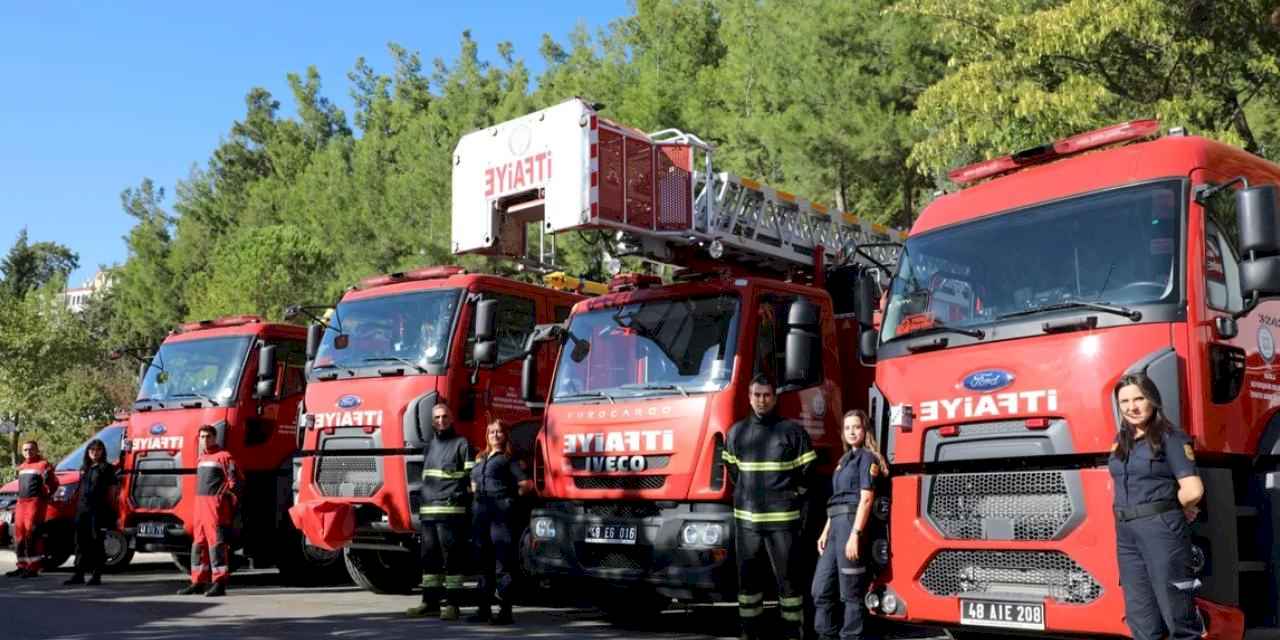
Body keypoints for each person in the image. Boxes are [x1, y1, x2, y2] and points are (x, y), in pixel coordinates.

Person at [1110, 373, 1204, 640]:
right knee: (1140, 616)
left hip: (1160, 529)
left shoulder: (1170, 437)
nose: (1132, 407)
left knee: (1177, 613)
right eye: (1124, 401)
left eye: (1139, 398)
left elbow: (1193, 489)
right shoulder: (1121, 442)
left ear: (1153, 400)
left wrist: (1173, 509)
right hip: (1126, 533)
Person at [722, 374, 817, 640]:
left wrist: (788, 494)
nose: (762, 400)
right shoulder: (737, 432)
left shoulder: (792, 432)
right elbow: (733, 471)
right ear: (749, 398)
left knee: (788, 583)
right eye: (757, 395)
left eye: (766, 395)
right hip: (747, 523)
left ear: (774, 398)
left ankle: (792, 633)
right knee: (748, 584)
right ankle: (750, 633)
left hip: (783, 522)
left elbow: (807, 473)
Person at [812, 410, 884, 639]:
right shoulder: (843, 461)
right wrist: (825, 531)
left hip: (851, 525)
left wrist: (855, 534)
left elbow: (866, 499)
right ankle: (825, 635)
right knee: (820, 590)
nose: (851, 432)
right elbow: (837, 499)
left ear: (865, 430)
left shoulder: (867, 459)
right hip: (835, 525)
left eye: (856, 427)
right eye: (847, 428)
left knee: (851, 593)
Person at [407, 401, 475, 621]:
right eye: (437, 417)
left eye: (444, 416)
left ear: (452, 418)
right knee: (429, 557)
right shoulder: (430, 446)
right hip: (428, 512)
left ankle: (453, 605)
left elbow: (470, 480)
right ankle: (430, 603)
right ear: (432, 421)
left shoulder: (462, 444)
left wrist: (457, 498)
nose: (441, 420)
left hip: (451, 512)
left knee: (452, 558)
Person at [467, 418, 532, 625]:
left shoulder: (509, 459)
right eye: (491, 432)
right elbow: (473, 481)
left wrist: (508, 501)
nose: (495, 435)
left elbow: (526, 485)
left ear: (505, 436)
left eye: (499, 432)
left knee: (503, 564)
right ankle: (483, 610)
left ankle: (505, 612)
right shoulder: (481, 458)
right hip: (480, 517)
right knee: (483, 564)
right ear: (487, 435)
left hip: (500, 518)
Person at [177, 424, 242, 597]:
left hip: (215, 507)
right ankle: (198, 581)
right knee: (198, 544)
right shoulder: (200, 458)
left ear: (215, 437)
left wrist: (223, 501)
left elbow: (235, 482)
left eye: (208, 436)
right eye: (202, 437)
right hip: (199, 506)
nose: (205, 440)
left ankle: (219, 583)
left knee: (216, 545)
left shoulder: (225, 457)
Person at [64, 438, 123, 586]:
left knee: (96, 543)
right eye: (92, 450)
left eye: (98, 450)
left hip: (98, 510)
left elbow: (112, 491)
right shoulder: (85, 468)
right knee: (80, 543)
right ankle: (78, 574)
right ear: (88, 452)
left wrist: (111, 511)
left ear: (102, 451)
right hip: (82, 510)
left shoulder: (107, 468)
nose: (95, 453)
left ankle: (96, 575)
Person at [9, 440, 58, 578]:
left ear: (37, 450)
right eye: (25, 450)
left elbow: (54, 484)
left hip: (35, 503)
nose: (28, 452)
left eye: (31, 449)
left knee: (32, 534)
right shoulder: (22, 466)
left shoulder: (44, 465)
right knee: (19, 535)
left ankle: (34, 567)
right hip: (21, 503)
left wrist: (45, 497)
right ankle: (22, 565)